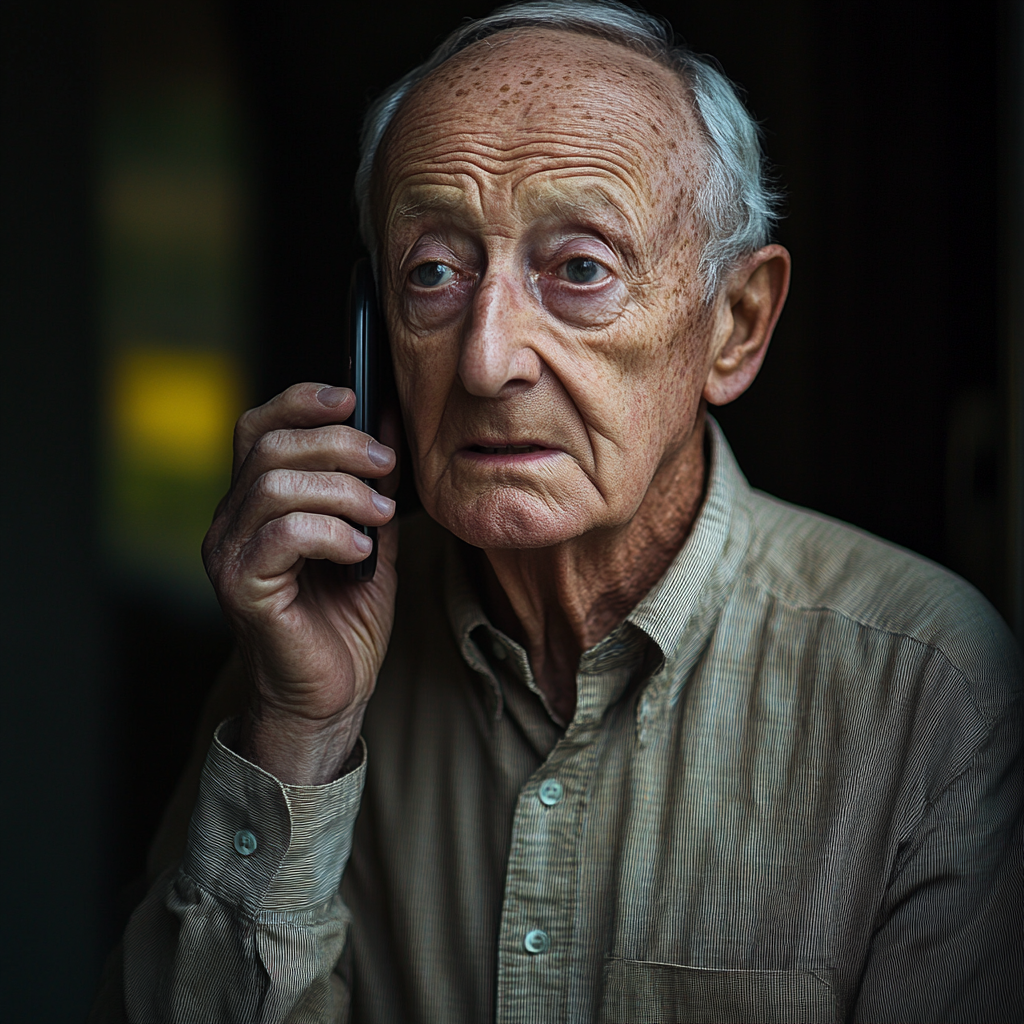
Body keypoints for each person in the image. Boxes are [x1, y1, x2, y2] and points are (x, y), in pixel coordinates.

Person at [91, 2, 1022, 1021]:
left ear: (735, 326)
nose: (487, 361)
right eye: (434, 275)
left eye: (579, 269)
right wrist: (297, 731)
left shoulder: (932, 693)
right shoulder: (307, 654)